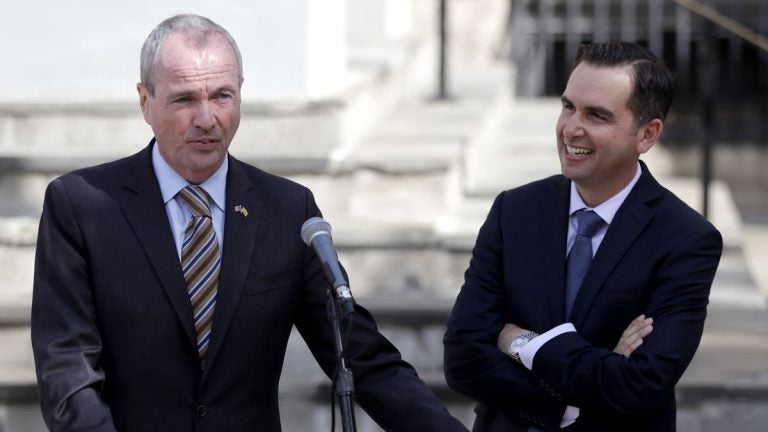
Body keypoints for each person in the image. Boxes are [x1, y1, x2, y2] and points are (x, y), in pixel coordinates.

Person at [31, 14, 468, 432]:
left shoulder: (288, 211)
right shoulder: (82, 207)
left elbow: (363, 359)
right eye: (185, 99)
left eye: (223, 96)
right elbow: (68, 374)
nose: (207, 119)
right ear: (146, 102)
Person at [443, 41, 723, 431]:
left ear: (646, 134)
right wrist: (573, 395)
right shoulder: (515, 211)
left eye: (597, 115)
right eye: (568, 106)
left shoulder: (686, 239)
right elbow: (463, 357)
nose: (571, 128)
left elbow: (638, 386)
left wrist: (521, 342)